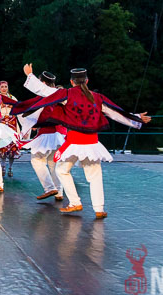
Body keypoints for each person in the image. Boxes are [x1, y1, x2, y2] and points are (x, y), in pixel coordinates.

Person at [20, 67, 152, 219]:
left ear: (71, 82)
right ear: (87, 81)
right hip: (92, 143)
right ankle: (99, 208)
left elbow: (45, 91)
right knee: (95, 175)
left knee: (61, 170)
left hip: (75, 142)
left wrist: (29, 75)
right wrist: (136, 118)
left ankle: (75, 202)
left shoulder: (67, 94)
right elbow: (115, 113)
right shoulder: (97, 97)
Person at [16, 66, 65, 201]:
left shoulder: (46, 96)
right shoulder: (60, 95)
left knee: (37, 159)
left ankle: (49, 188)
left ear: (43, 83)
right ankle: (59, 191)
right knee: (53, 162)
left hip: (47, 134)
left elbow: (39, 113)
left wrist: (29, 75)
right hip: (59, 135)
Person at [0, 80, 23, 177]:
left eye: (5, 86)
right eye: (2, 87)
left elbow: (18, 110)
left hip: (12, 124)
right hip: (2, 123)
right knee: (2, 147)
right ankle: (3, 167)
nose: (4, 88)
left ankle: (10, 168)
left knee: (12, 148)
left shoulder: (12, 98)